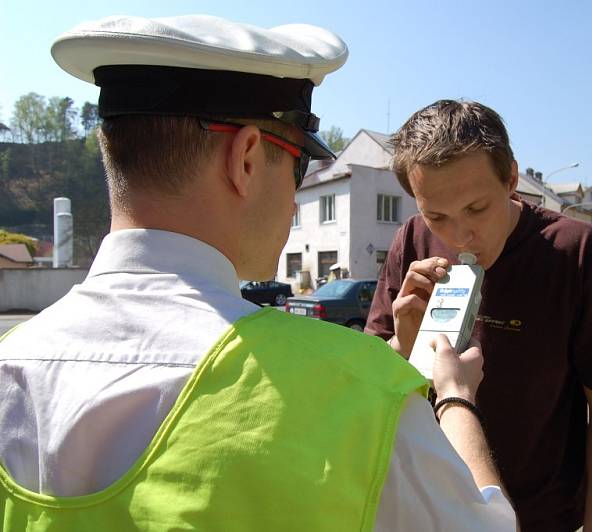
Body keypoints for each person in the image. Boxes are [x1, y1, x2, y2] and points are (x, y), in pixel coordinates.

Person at [0, 18, 516, 531]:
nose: (294, 199)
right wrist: (454, 400)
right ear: (246, 158)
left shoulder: (10, 364)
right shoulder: (359, 389)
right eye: (296, 167)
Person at [366, 100, 592, 531]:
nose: (459, 235)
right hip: (425, 513)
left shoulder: (574, 252)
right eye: (436, 215)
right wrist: (402, 345)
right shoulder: (412, 241)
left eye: (477, 208)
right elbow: (375, 390)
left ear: (511, 178)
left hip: (541, 519)